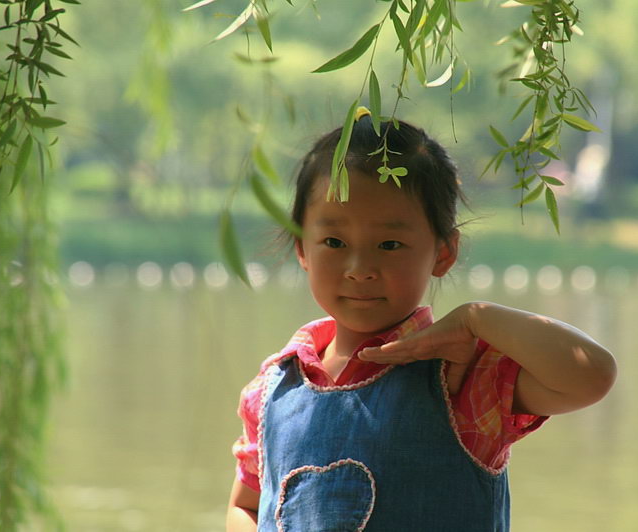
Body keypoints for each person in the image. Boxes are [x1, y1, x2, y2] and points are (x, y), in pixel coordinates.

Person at [225, 110, 617, 532]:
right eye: (334, 242)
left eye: (389, 244)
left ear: (443, 253)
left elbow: (590, 375)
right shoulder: (272, 390)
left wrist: (476, 319)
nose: (359, 268)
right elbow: (246, 505)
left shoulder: (461, 376)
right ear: (302, 247)